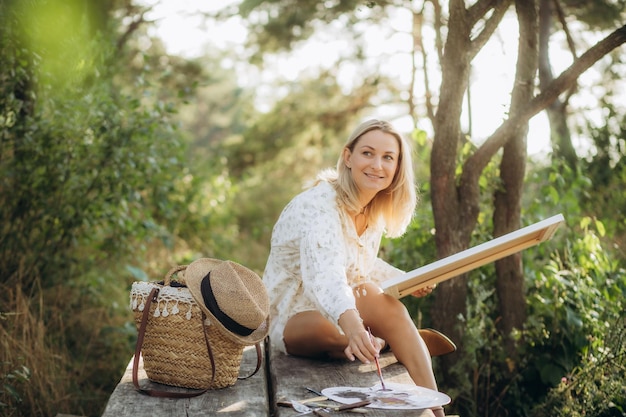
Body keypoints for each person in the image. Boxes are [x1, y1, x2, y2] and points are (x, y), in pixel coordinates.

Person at [263, 119, 447, 417]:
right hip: (293, 318)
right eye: (367, 153)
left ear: (398, 167)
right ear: (348, 157)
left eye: (388, 157)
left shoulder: (370, 210)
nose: (377, 164)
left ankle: (438, 410)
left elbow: (362, 265)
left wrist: (405, 280)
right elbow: (327, 276)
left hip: (345, 310)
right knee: (340, 330)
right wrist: (353, 327)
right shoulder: (319, 207)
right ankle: (383, 342)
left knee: (382, 301)